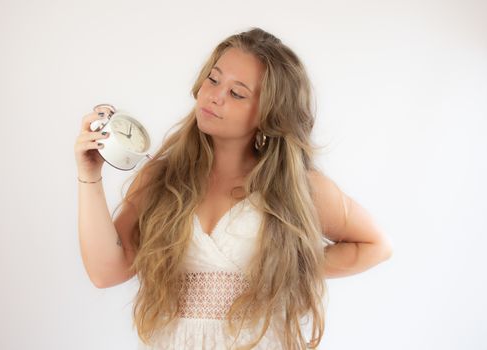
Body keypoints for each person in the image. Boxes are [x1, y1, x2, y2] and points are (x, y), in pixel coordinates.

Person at [74, 27, 393, 350]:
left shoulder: (297, 189)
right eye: (213, 80)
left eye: (237, 93)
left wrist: (286, 269)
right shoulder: (163, 179)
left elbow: (375, 245)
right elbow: (106, 272)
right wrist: (89, 176)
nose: (214, 96)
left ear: (269, 113)